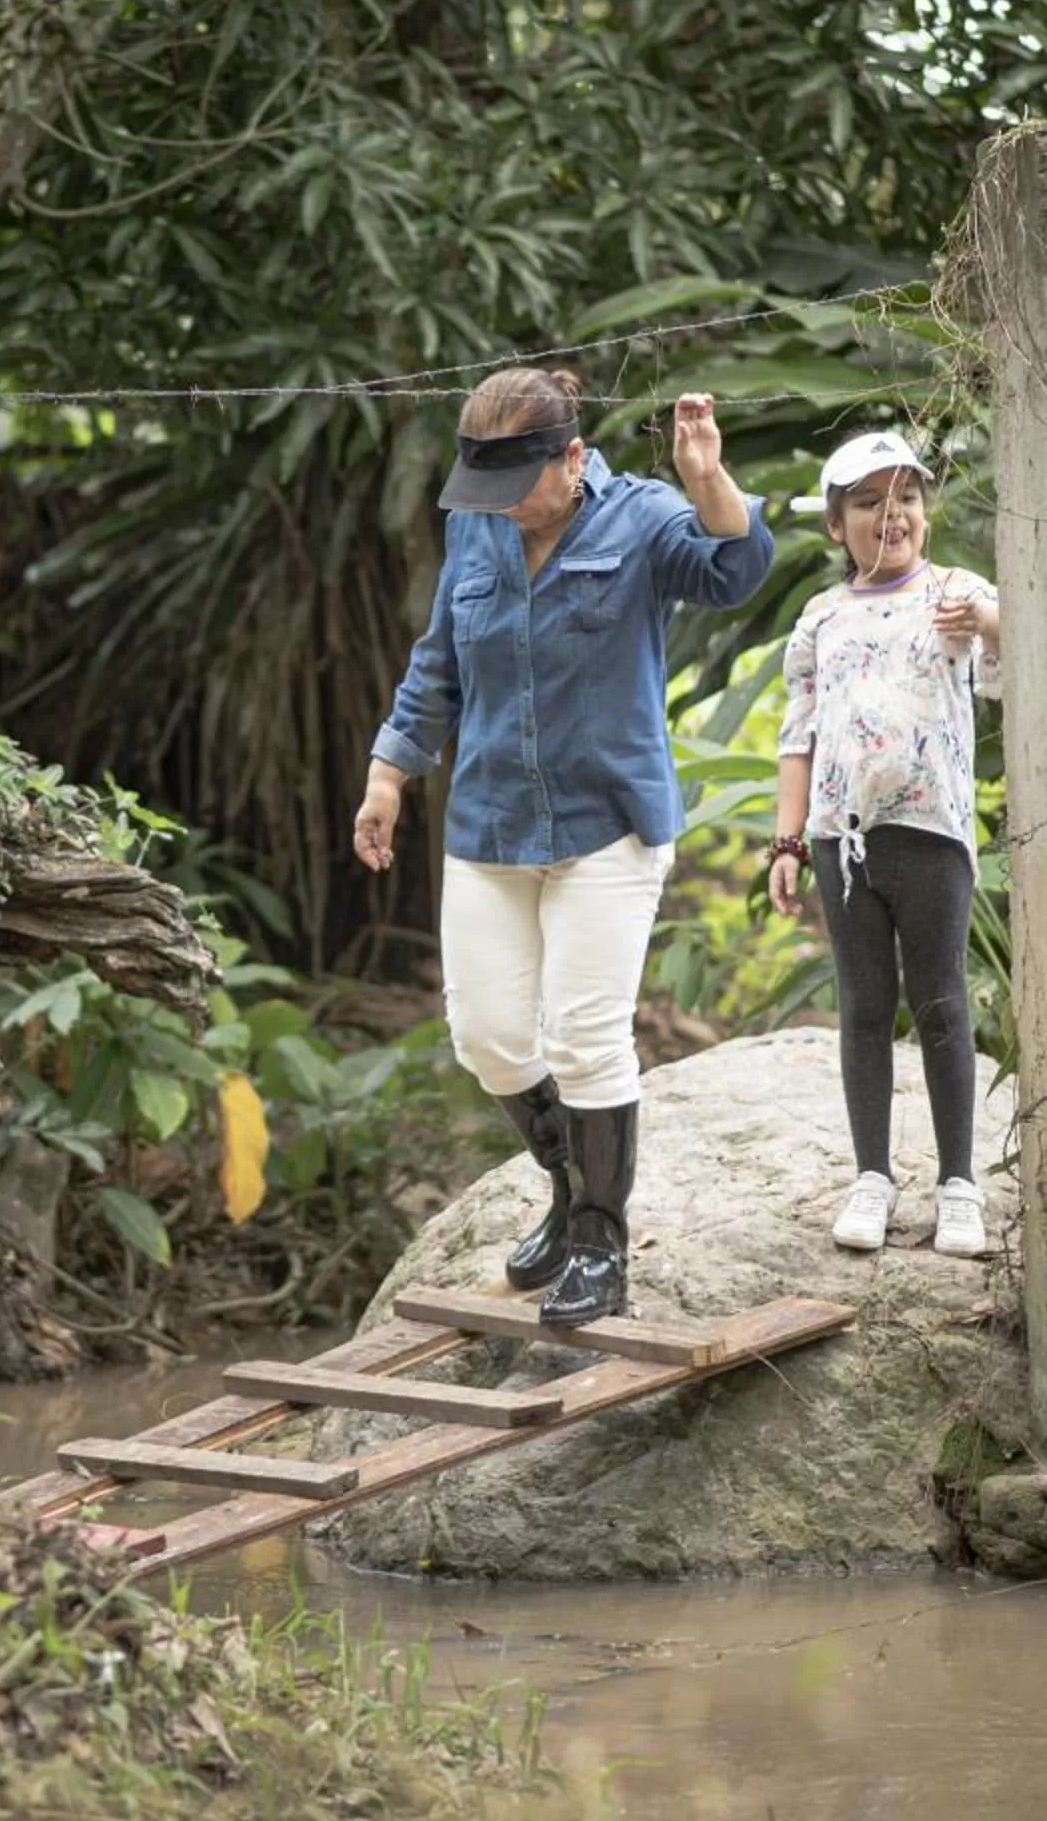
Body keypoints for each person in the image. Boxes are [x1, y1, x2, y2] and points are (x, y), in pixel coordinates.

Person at [354, 369, 773, 1326]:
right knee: (490, 1037)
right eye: (484, 495)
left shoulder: (641, 518)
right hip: (491, 819)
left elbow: (734, 571)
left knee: (584, 1037)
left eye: (518, 488)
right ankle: (563, 1194)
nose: (501, 511)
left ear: (572, 459)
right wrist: (389, 774)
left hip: (606, 824)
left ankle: (599, 1240)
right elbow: (439, 663)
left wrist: (708, 479)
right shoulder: (476, 528)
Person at [767, 429, 1001, 1259]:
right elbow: (800, 734)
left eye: (905, 497)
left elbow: (1009, 660)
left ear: (926, 511)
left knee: (940, 1000)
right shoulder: (821, 619)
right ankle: (872, 1175)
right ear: (838, 525)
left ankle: (958, 1184)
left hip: (931, 834)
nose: (890, 514)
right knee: (865, 1005)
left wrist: (987, 621)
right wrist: (788, 841)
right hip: (843, 840)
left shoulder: (957, 593)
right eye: (868, 502)